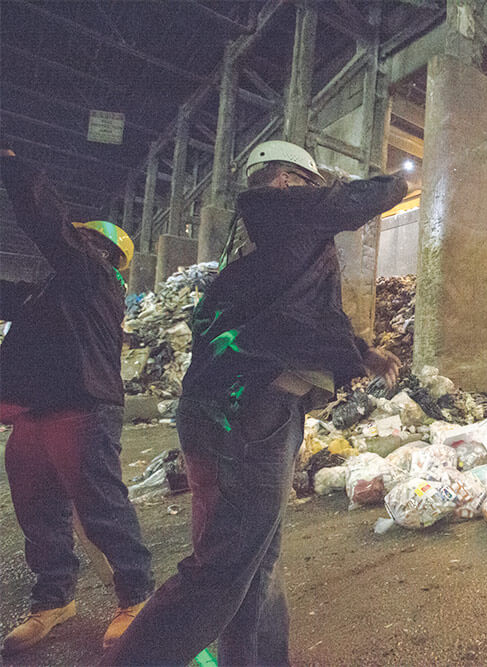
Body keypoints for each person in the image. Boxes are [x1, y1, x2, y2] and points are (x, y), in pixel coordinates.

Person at [102, 140, 406, 666]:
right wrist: (346, 182)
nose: (321, 200)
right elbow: (384, 190)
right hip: (246, 416)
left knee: (256, 562)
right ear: (287, 181)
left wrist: (364, 353)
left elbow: (300, 315)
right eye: (313, 186)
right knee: (222, 570)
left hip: (245, 412)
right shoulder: (278, 208)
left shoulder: (271, 238)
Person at [0, 149, 154, 655]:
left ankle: (136, 596)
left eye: (86, 237)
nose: (76, 240)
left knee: (102, 505)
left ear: (103, 251)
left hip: (83, 406)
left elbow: (48, 225)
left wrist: (17, 169)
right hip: (35, 412)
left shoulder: (94, 278)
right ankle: (54, 598)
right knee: (38, 509)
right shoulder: (54, 289)